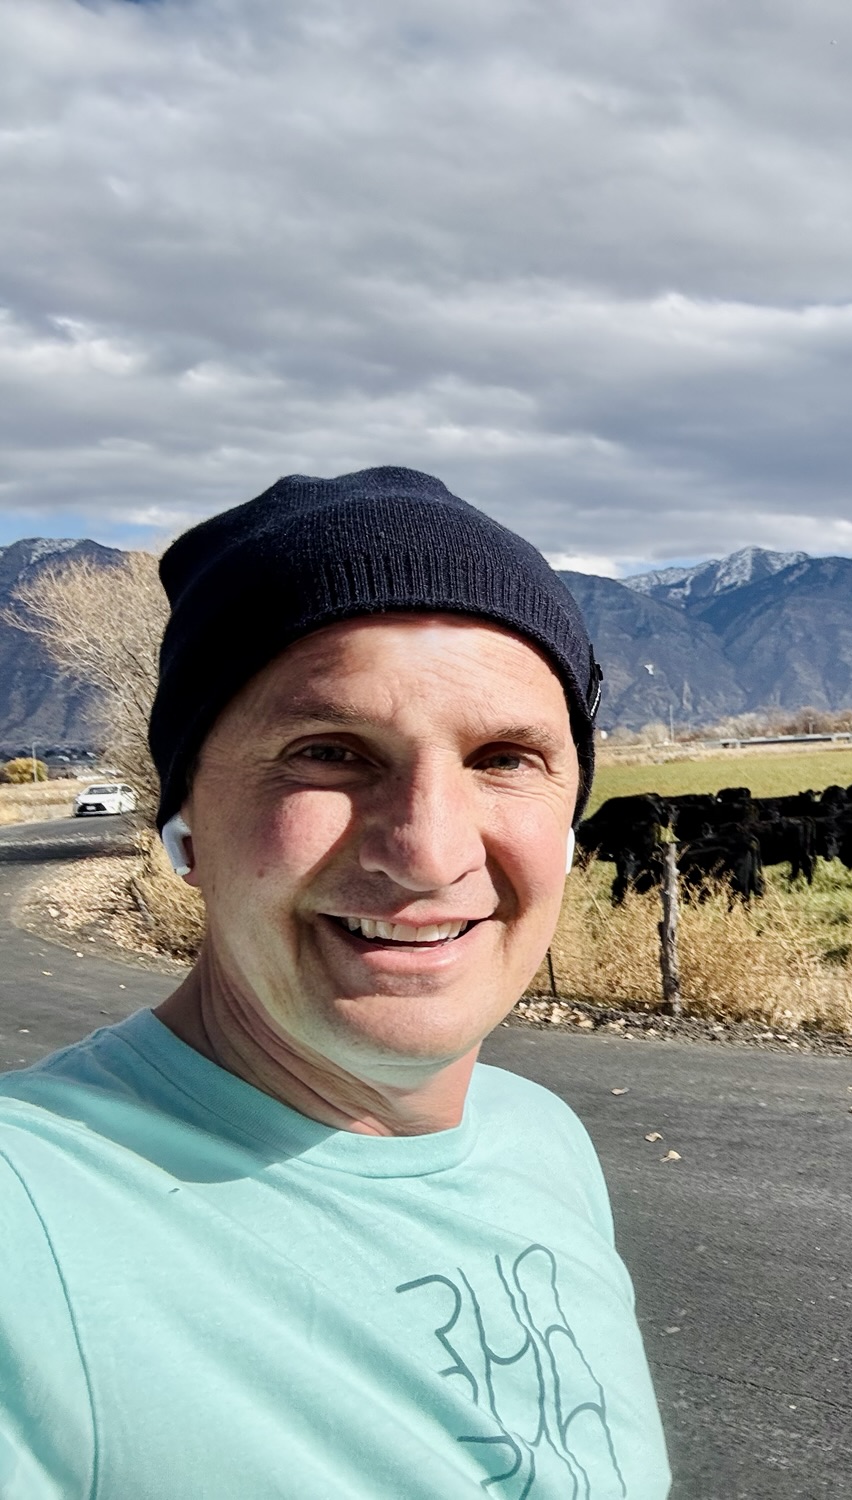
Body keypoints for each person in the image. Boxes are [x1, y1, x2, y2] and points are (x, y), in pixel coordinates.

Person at [0, 468, 671, 1497]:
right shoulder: (30, 1218)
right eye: (329, 753)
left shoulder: (540, 1142)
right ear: (185, 825)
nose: (428, 852)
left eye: (504, 757)